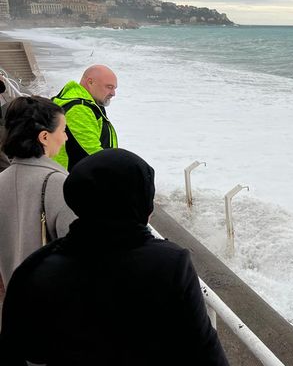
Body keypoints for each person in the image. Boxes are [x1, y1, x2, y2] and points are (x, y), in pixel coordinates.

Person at [0, 148, 230, 366]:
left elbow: (27, 349)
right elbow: (204, 351)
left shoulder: (36, 268)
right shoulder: (171, 264)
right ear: (142, 206)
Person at [0, 96, 75, 307]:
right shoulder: (59, 183)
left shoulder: (2, 180)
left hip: (12, 308)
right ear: (44, 137)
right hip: (50, 308)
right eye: (63, 130)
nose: (66, 138)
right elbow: (79, 254)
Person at [52, 64, 118, 171]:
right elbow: (93, 152)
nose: (113, 93)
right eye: (109, 87)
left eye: (114, 88)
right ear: (90, 82)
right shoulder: (79, 108)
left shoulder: (90, 103)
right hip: (74, 181)